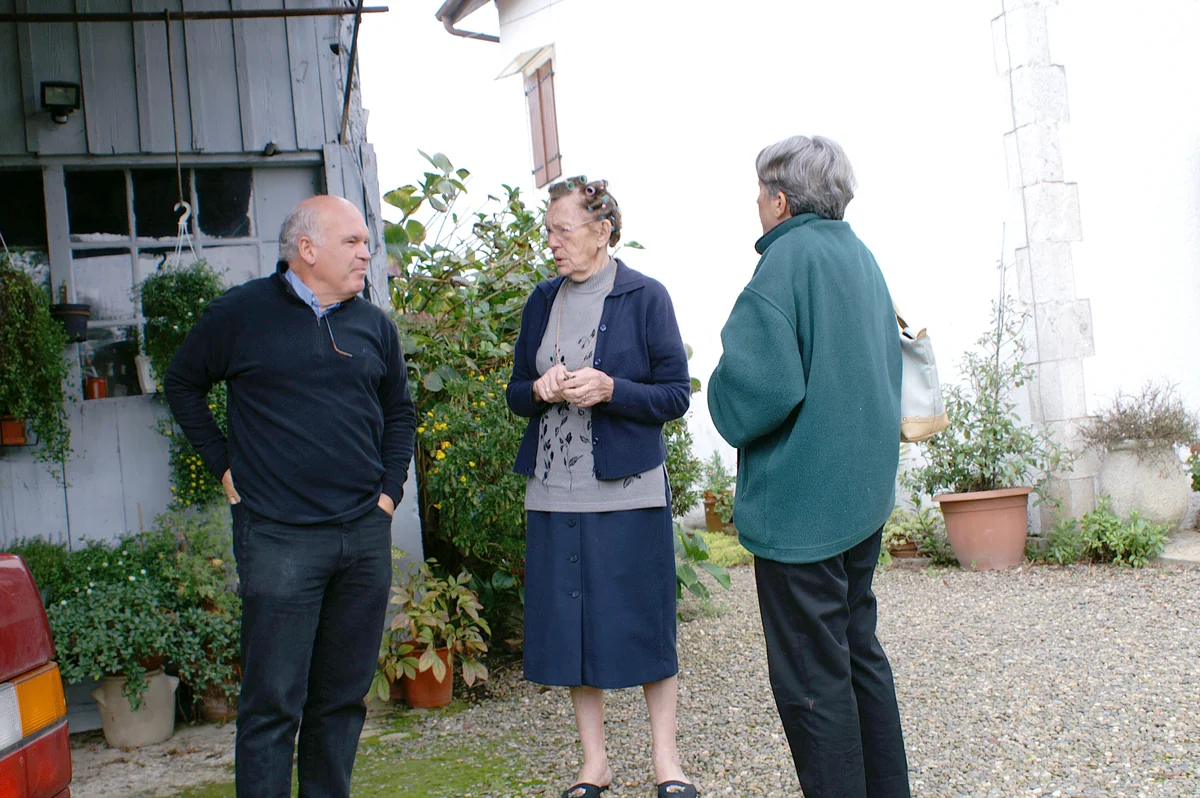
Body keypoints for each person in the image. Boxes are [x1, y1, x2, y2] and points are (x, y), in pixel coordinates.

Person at [164, 195, 417, 798]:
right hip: (277, 537)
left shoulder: (373, 324)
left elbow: (400, 412)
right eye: (353, 242)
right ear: (307, 249)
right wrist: (224, 468)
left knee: (341, 700)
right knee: (272, 705)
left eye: (366, 242)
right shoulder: (241, 314)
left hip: (362, 535)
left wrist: (388, 495)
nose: (366, 253)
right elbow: (182, 383)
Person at [707, 136, 911, 797]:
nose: (756, 203)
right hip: (861, 498)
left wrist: (718, 388)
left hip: (802, 511)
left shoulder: (784, 265)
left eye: (760, 191)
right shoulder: (861, 257)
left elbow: (754, 395)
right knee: (859, 656)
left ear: (781, 200)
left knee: (812, 683)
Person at [505, 176, 698, 798]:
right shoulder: (542, 300)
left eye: (562, 231)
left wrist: (613, 390)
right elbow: (516, 393)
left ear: (602, 232)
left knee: (645, 623)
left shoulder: (646, 296)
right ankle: (595, 764)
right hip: (553, 492)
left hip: (629, 493)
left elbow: (675, 395)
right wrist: (538, 390)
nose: (552, 243)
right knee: (572, 630)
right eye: (549, 232)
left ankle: (666, 761)